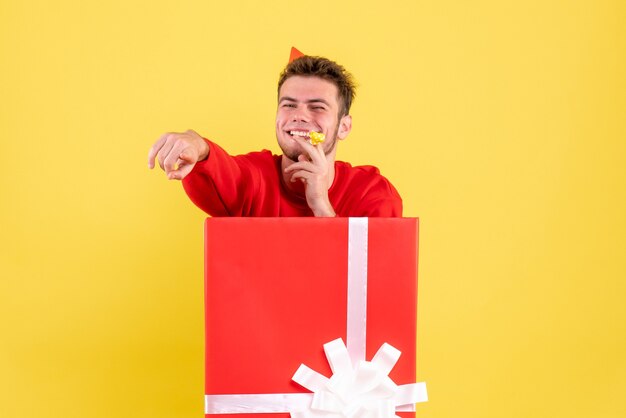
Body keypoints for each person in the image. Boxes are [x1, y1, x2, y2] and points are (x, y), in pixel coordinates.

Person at [147, 52, 402, 217]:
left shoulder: (372, 193)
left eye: (317, 107)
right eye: (289, 104)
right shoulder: (255, 177)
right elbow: (221, 170)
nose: (299, 115)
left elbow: (373, 281)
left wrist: (321, 205)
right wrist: (199, 148)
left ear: (344, 126)